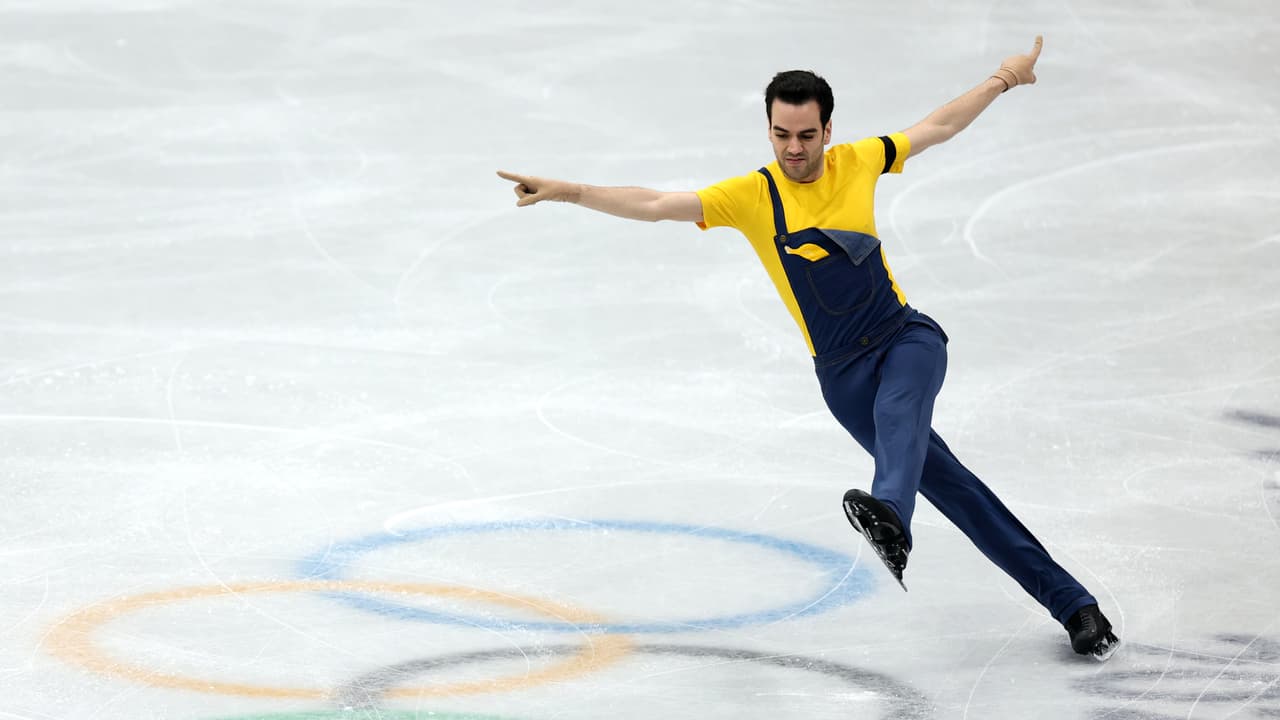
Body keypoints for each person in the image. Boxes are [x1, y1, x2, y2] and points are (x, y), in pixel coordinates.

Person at [497, 36, 1120, 660]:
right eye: (781, 135)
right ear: (769, 131)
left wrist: (1005, 78)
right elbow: (659, 204)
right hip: (843, 379)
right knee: (958, 491)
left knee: (902, 412)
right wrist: (569, 191)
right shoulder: (752, 196)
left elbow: (939, 125)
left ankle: (891, 518)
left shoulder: (859, 160)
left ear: (827, 129)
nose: (794, 149)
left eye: (806, 134)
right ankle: (1076, 608)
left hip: (906, 338)